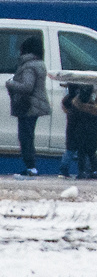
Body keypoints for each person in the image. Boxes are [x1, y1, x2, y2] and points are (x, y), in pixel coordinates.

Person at [6, 36, 49, 177]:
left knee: (25, 137)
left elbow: (27, 86)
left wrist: (10, 84)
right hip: (33, 106)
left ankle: (31, 167)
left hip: (28, 106)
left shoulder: (29, 66)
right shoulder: (39, 63)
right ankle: (31, 166)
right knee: (28, 136)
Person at [61, 83, 97, 180]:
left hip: (80, 135)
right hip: (93, 135)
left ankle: (81, 172)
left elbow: (72, 121)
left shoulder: (76, 107)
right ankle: (94, 171)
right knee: (91, 154)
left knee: (81, 154)